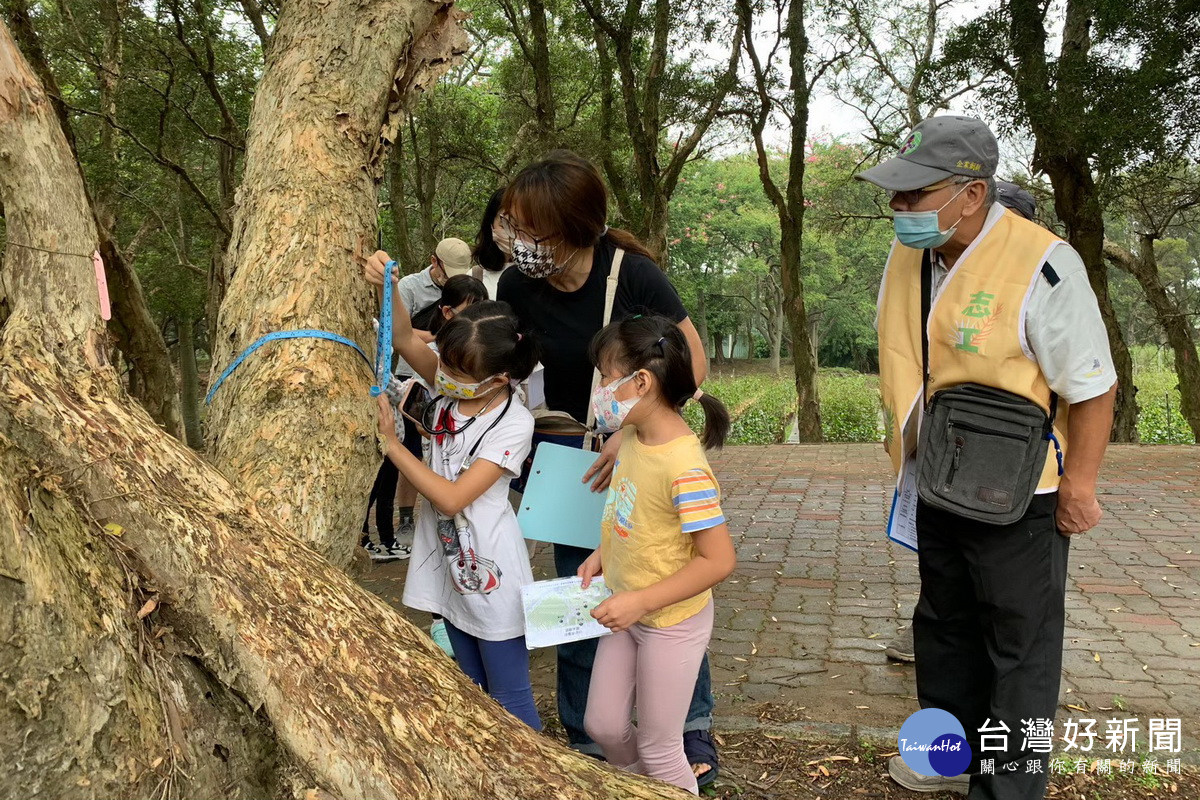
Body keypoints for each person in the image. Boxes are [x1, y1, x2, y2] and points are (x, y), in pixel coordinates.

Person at [857, 116, 1117, 800]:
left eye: (914, 194)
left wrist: (1080, 487)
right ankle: (943, 759)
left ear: (972, 194)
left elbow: (1093, 388)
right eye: (896, 194)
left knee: (1018, 651)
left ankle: (1008, 790)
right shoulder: (912, 255)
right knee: (942, 630)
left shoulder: (1044, 264)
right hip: (935, 481)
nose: (899, 208)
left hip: (1021, 497)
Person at [495, 150, 720, 783]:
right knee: (583, 588)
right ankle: (592, 736)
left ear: (576, 229)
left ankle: (687, 734)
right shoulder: (518, 286)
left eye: (531, 228)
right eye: (512, 224)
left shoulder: (635, 277)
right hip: (567, 456)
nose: (519, 242)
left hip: (633, 448)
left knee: (669, 579)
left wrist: (635, 426)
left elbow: (691, 362)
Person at [370, 274, 543, 730]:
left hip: (491, 575)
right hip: (450, 569)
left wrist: (394, 446)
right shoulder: (453, 389)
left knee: (509, 698)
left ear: (499, 379)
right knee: (470, 690)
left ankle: (536, 773)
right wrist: (387, 279)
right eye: (442, 363)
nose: (441, 373)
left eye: (454, 370)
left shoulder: (514, 424)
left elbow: (451, 499)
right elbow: (405, 337)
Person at [882, 176, 1040, 663]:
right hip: (935, 451)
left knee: (1002, 588)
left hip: (1007, 461)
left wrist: (1079, 483)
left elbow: (1089, 384)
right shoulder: (918, 267)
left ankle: (1002, 692)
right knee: (943, 574)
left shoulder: (1034, 276)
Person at [578, 315, 736, 795]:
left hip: (671, 623)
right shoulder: (631, 437)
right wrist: (603, 551)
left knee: (660, 746)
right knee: (603, 726)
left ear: (640, 382)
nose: (600, 388)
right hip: (629, 608)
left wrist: (643, 602)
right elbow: (630, 511)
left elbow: (718, 561)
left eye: (606, 377)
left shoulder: (684, 468)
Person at [362, 238, 476, 562]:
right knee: (398, 460)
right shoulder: (443, 377)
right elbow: (403, 336)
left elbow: (453, 500)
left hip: (478, 532)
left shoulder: (510, 417)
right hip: (406, 382)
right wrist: (390, 285)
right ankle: (394, 525)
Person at [473, 188, 511, 299]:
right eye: (504, 225)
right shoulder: (475, 277)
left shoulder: (542, 277)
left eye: (519, 225)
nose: (512, 233)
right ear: (490, 223)